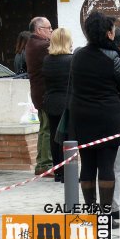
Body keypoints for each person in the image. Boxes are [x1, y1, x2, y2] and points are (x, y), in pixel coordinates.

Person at [69, 12, 120, 216]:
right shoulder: (113, 58)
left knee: (88, 165)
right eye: (113, 29)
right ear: (108, 33)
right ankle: (106, 214)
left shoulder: (78, 56)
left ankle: (91, 213)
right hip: (108, 119)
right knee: (106, 166)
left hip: (81, 118)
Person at [42, 28, 73, 183]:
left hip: (51, 102)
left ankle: (58, 172)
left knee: (54, 138)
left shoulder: (47, 60)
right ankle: (68, 171)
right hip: (67, 102)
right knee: (68, 137)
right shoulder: (71, 60)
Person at [25, 17, 53, 176]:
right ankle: (45, 164)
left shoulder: (32, 42)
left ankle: (42, 162)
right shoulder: (42, 45)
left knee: (44, 128)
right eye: (48, 28)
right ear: (39, 30)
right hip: (44, 94)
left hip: (39, 93)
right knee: (47, 129)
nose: (51, 30)